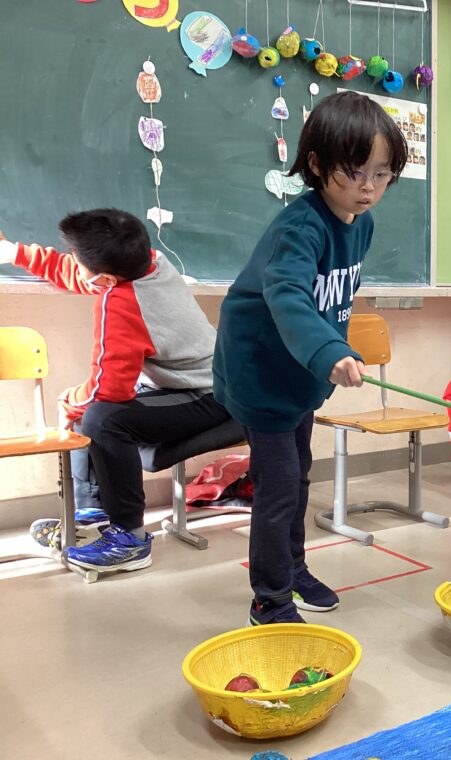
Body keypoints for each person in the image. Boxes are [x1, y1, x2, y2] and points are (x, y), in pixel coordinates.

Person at [214, 91, 408, 625]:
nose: (368, 188)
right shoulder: (300, 228)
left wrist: (328, 353)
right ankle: (269, 600)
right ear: (318, 164)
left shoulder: (360, 224)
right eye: (355, 173)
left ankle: (293, 569)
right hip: (260, 373)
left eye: (382, 174)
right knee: (278, 487)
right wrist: (327, 351)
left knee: (298, 475)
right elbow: (290, 298)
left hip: (299, 374)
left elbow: (333, 300)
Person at [0, 209, 229, 572]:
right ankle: (93, 511)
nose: (73, 262)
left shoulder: (122, 304)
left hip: (208, 395)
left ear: (106, 278)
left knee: (100, 418)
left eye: (77, 258)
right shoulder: (151, 262)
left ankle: (130, 539)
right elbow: (79, 274)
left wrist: (69, 402)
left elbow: (108, 391)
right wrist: (15, 253)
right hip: (191, 382)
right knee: (89, 409)